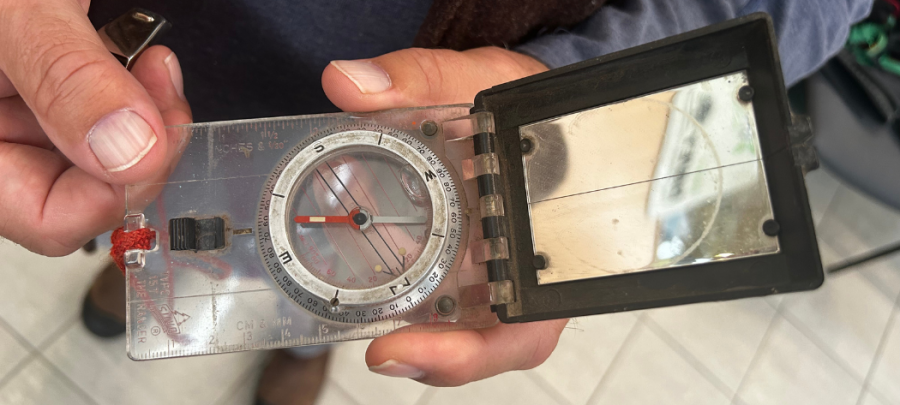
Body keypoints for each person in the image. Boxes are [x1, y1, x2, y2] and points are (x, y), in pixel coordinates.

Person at [0, 0, 873, 404]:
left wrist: (560, 92)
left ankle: (307, 338)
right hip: (168, 48)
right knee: (144, 191)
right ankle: (140, 264)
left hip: (437, 115)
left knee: (335, 273)